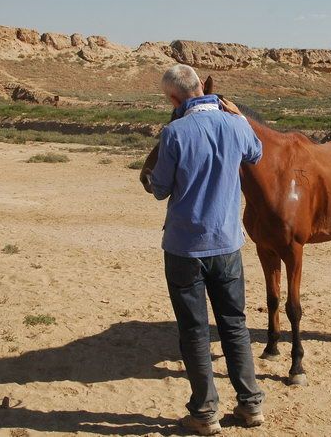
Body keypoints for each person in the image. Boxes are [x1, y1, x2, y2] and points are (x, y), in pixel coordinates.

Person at [144, 64, 265, 435]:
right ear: (201, 86)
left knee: (194, 331)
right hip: (227, 245)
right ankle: (250, 405)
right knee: (235, 324)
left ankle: (205, 412)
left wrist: (150, 178)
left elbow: (159, 188)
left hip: (184, 249)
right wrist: (240, 117)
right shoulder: (235, 125)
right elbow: (256, 155)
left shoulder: (175, 133)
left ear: (173, 98)